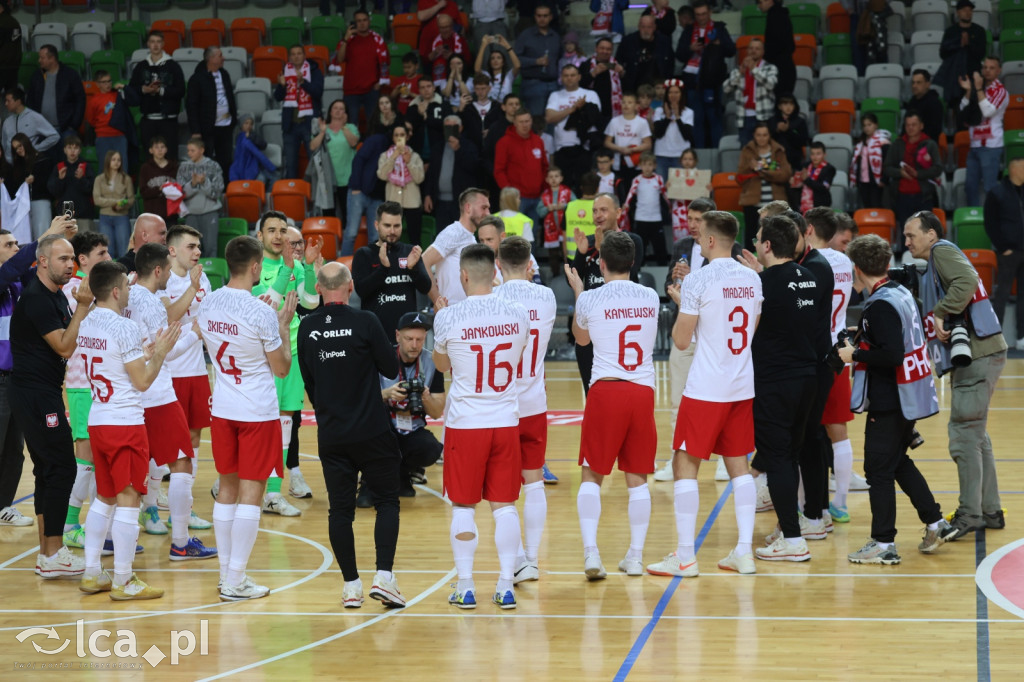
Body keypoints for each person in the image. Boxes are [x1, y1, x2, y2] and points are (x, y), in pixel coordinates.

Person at [648, 211, 762, 577]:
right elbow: (750, 330)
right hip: (742, 384)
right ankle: (744, 552)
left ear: (711, 240)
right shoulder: (753, 278)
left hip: (706, 387)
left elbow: (681, 341)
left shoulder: (697, 280)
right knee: (739, 466)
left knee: (685, 464)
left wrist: (684, 305)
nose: (697, 242)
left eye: (699, 238)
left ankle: (684, 556)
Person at [837, 234, 954, 564]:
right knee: (897, 462)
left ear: (857, 269)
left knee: (877, 470)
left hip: (891, 398)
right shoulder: (900, 292)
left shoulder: (880, 305)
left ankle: (883, 544)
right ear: (886, 264)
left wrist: (853, 353)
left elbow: (891, 354)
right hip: (908, 394)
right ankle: (935, 521)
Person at [297, 261, 407, 608]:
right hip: (372, 430)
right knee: (387, 501)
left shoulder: (307, 327)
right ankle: (384, 578)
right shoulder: (366, 321)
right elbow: (391, 369)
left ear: (318, 289)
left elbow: (310, 383)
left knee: (339, 512)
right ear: (351, 286)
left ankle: (351, 587)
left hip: (332, 434)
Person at [432, 243, 530, 609]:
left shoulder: (449, 316)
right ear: (496, 272)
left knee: (463, 505)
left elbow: (441, 366)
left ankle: (466, 584)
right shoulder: (519, 313)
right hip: (505, 419)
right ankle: (506, 585)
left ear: (463, 275)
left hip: (466, 423)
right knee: (504, 506)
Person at [199, 235, 297, 601]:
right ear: (256, 267)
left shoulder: (208, 303)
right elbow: (282, 369)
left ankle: (228, 574)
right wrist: (284, 329)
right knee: (251, 494)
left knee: (227, 489)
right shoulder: (260, 312)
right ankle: (236, 579)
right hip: (256, 411)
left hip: (223, 408)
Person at [74, 260, 179, 598]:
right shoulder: (125, 326)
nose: (131, 291)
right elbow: (143, 381)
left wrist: (145, 352)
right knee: (130, 498)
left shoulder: (88, 322)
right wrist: (160, 353)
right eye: (127, 286)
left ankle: (92, 573)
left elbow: (116, 362)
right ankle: (123, 579)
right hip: (125, 424)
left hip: (99, 420)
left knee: (104, 498)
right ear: (116, 291)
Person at [903, 211, 1008, 540]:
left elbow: (965, 280)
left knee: (964, 434)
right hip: (982, 353)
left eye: (911, 235)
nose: (906, 242)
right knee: (976, 435)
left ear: (931, 234)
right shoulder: (937, 257)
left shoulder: (941, 251)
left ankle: (969, 514)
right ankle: (989, 510)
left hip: (977, 355)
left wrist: (939, 311)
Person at [565, 231, 659, 579]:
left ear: (601, 263)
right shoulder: (650, 295)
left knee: (592, 474)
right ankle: (634, 556)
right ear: (632, 263)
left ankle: (591, 553)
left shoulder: (590, 298)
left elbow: (581, 337)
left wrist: (579, 295)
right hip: (642, 392)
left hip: (606, 389)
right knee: (637, 477)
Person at [123, 243, 216, 558]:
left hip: (128, 394)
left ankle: (112, 538)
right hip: (157, 395)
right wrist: (195, 332)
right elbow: (167, 351)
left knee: (129, 469)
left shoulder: (126, 295)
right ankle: (180, 542)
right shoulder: (150, 303)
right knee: (181, 462)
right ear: (159, 270)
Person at [9, 228, 92, 578]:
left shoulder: (55, 293)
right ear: (42, 262)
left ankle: (47, 552)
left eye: (72, 258)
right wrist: (84, 306)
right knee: (62, 466)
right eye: (63, 258)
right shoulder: (38, 298)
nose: (71, 264)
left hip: (40, 393)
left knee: (46, 469)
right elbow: (63, 346)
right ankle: (55, 550)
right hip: (35, 395)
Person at [742, 215, 819, 562]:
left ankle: (792, 539)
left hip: (775, 381)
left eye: (759, 239)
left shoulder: (762, 284)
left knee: (778, 459)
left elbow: (749, 331)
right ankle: (790, 527)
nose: (756, 244)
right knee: (789, 455)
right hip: (808, 378)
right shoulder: (810, 278)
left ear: (768, 246)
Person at [654, 198, 743, 483]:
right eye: (689, 218)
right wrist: (675, 283)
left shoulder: (733, 250)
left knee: (722, 400)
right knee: (678, 399)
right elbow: (671, 287)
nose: (692, 225)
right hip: (687, 329)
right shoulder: (681, 246)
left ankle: (722, 460)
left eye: (697, 220)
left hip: (715, 337)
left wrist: (694, 280)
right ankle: (674, 456)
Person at [0, 218, 76, 528]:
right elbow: (16, 265)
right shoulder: (4, 280)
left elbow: (50, 269)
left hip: (20, 381)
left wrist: (60, 243)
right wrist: (48, 234)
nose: (17, 249)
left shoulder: (23, 284)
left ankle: (3, 505)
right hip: (3, 379)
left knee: (14, 451)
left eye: (18, 244)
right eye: (8, 245)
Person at [252, 212, 322, 512]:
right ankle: (236, 481)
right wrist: (290, 269)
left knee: (284, 426)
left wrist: (307, 266)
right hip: (263, 360)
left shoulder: (292, 266)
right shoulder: (254, 269)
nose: (278, 236)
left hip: (291, 358)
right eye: (272, 230)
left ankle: (272, 493)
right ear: (260, 236)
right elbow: (266, 304)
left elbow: (309, 302)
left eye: (282, 230)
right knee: (259, 426)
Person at [495, 240, 557, 577]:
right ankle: (531, 558)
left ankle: (518, 560)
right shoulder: (546, 296)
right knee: (534, 482)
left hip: (502, 404)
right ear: (529, 262)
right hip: (534, 402)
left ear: (498, 262)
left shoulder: (493, 300)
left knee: (504, 487)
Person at [59, 231, 112, 549]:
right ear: (83, 260)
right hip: (81, 385)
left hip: (101, 385)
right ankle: (69, 525)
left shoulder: (102, 289)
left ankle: (97, 526)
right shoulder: (72, 291)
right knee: (86, 458)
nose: (108, 258)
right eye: (102, 253)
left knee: (97, 460)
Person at [159, 225, 216, 510]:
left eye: (198, 247)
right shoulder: (162, 279)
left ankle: (185, 506)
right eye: (190, 247)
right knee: (163, 439)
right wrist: (192, 288)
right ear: (172, 250)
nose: (198, 252)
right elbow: (169, 316)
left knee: (194, 435)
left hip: (196, 369)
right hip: (168, 372)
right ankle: (152, 503)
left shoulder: (203, 277)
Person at [570, 192, 645, 393]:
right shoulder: (588, 241)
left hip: (619, 323)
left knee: (622, 389)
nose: (598, 215)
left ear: (618, 212)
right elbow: (575, 279)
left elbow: (632, 274)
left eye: (603, 209)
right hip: (591, 324)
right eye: (595, 211)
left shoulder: (633, 240)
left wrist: (601, 248)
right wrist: (582, 254)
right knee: (591, 391)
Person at [378, 311, 446, 499]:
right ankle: (370, 479)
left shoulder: (432, 362)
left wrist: (425, 396)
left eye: (420, 339)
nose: (414, 345)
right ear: (398, 336)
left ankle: (404, 473)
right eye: (409, 339)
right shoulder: (382, 357)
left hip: (412, 428)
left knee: (431, 449)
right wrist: (387, 394)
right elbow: (362, 399)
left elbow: (437, 411)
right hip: (384, 428)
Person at [353, 202, 434, 338]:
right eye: (387, 225)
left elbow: (426, 288)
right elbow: (362, 290)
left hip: (406, 337)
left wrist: (412, 269)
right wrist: (383, 269)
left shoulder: (410, 252)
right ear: (376, 225)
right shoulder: (364, 254)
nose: (392, 231)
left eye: (397, 226)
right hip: (376, 336)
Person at [676, 0, 735, 148]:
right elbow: (679, 55)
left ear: (709, 13)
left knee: (714, 118)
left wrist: (718, 44)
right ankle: (699, 154)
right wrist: (691, 47)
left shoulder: (719, 28)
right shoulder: (689, 30)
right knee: (697, 119)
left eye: (703, 14)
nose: (701, 18)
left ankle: (716, 151)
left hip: (713, 80)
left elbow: (731, 51)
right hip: (693, 80)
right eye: (697, 15)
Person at [423, 188, 491, 304]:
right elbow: (424, 261)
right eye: (483, 208)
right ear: (468, 207)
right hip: (452, 313)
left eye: (488, 208)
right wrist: (437, 301)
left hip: (468, 311)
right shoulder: (453, 232)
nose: (488, 213)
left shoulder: (471, 238)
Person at [883, 114, 941, 250]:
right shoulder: (898, 143)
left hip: (924, 196)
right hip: (902, 197)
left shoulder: (930, 144)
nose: (910, 128)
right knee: (907, 234)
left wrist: (918, 174)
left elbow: (938, 169)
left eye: (914, 124)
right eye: (908, 125)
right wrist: (900, 173)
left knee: (926, 233)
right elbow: (887, 167)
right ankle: (906, 262)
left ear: (921, 125)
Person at [984, 156, 1024, 350]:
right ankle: (995, 337)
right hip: (1008, 252)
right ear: (1014, 169)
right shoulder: (997, 192)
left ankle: (1022, 337)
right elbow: (990, 223)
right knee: (1002, 293)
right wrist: (1002, 247)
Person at [128, 32, 186, 161]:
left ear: (163, 44)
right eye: (152, 41)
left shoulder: (173, 66)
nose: (155, 45)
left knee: (170, 156)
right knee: (150, 158)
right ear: (148, 44)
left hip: (168, 120)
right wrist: (144, 89)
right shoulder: (141, 66)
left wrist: (161, 91)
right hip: (148, 119)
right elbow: (132, 89)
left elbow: (181, 90)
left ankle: (171, 182)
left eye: (158, 42)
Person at [546, 65, 601, 192]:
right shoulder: (555, 95)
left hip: (584, 147)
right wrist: (573, 109)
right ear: (561, 78)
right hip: (561, 147)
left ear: (579, 77)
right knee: (563, 189)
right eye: (566, 75)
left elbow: (593, 119)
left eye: (572, 75)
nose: (569, 78)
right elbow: (549, 117)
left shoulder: (590, 94)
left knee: (584, 187)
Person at [960, 57, 1007, 206]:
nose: (987, 70)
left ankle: (991, 224)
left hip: (991, 146)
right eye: (985, 67)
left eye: (992, 68)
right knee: (970, 187)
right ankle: (975, 219)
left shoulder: (1000, 91)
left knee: (989, 188)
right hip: (974, 145)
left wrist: (978, 89)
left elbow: (988, 111)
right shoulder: (976, 88)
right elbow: (963, 109)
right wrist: (968, 91)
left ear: (999, 71)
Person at [274, 45, 325, 180]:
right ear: (289, 58)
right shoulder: (285, 71)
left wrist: (303, 82)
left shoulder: (314, 71)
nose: (296, 56)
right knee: (290, 165)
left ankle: (315, 196)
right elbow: (278, 97)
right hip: (290, 125)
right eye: (293, 54)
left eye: (299, 54)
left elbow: (318, 93)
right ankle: (293, 195)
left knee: (314, 162)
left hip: (309, 124)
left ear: (304, 55)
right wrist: (281, 85)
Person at [738, 122, 791, 250]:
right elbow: (739, 177)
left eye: (765, 135)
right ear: (754, 136)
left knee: (777, 235)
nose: (762, 138)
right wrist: (750, 168)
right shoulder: (747, 150)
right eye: (758, 135)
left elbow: (786, 174)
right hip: (752, 201)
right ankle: (751, 262)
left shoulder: (778, 150)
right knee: (751, 235)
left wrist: (764, 173)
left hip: (775, 202)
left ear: (769, 136)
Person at [186, 47, 237, 181]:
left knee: (225, 160)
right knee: (205, 160)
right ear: (211, 59)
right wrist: (196, 130)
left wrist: (233, 118)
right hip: (206, 128)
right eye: (220, 56)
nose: (223, 58)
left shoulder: (224, 74)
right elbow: (191, 106)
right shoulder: (197, 79)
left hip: (225, 126)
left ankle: (225, 191)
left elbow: (230, 97)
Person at [336, 9, 390, 128]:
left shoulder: (377, 40)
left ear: (369, 21)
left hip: (371, 90)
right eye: (358, 21)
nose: (362, 23)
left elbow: (385, 63)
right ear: (354, 23)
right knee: (351, 126)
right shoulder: (349, 40)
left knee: (373, 125)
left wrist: (380, 83)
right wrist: (345, 39)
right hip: (351, 90)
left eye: (364, 20)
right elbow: (339, 59)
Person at [424, 115, 478, 232]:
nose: (451, 129)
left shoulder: (469, 146)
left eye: (454, 127)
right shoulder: (438, 147)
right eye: (447, 127)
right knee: (442, 236)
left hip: (461, 202)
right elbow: (431, 173)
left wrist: (458, 150)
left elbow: (473, 168)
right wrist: (428, 194)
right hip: (440, 202)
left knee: (461, 236)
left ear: (461, 128)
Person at [494, 109, 548, 225]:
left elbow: (544, 166)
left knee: (533, 235)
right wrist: (510, 193)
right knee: (515, 234)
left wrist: (543, 189)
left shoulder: (538, 141)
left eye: (527, 121)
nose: (525, 125)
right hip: (516, 199)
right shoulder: (504, 142)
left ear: (531, 121)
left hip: (536, 196)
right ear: (514, 122)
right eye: (521, 122)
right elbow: (499, 171)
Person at [310, 100, 359, 225]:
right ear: (330, 111)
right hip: (326, 179)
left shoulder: (351, 127)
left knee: (347, 214)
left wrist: (343, 126)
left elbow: (354, 143)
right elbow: (313, 147)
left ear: (345, 113)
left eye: (341, 108)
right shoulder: (323, 128)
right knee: (329, 215)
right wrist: (322, 132)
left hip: (346, 178)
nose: (338, 110)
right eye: (335, 108)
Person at [723, 38, 778, 146]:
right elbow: (726, 89)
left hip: (764, 117)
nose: (754, 51)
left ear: (763, 52)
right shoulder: (739, 69)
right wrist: (739, 73)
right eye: (751, 48)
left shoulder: (770, 68)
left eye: (757, 49)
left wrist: (754, 69)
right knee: (747, 152)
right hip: (744, 117)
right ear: (747, 51)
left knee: (765, 152)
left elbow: (771, 85)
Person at [377, 124, 426, 247]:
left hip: (412, 202)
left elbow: (419, 178)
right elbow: (382, 175)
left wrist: (409, 162)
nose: (399, 138)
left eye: (402, 135)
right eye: (396, 135)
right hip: (393, 201)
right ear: (393, 138)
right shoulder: (385, 155)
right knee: (391, 237)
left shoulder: (414, 156)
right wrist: (393, 158)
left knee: (414, 237)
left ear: (407, 137)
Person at [344, 129, 390, 256]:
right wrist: (356, 185)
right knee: (351, 233)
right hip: (360, 192)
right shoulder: (377, 140)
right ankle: (341, 269)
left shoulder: (403, 151)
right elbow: (359, 159)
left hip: (377, 196)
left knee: (375, 236)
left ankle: (373, 268)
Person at [177, 138, 224, 259]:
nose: (189, 153)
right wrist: (192, 184)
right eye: (188, 150)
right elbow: (179, 193)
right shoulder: (183, 167)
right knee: (191, 250)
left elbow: (217, 192)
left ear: (201, 150)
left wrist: (204, 183)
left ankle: (211, 276)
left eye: (192, 150)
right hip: (191, 214)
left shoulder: (214, 166)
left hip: (210, 212)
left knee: (210, 247)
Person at [27, 45, 86, 140]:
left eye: (42, 58)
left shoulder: (70, 75)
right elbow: (30, 101)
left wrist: (73, 125)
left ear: (52, 58)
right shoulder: (37, 76)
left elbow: (80, 100)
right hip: (42, 130)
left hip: (65, 129)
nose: (39, 60)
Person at [514, 3, 562, 118]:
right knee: (535, 121)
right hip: (532, 84)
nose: (542, 19)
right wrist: (535, 62)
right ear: (535, 17)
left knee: (552, 121)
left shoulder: (556, 37)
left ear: (551, 17)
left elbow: (560, 59)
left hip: (553, 84)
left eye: (545, 16)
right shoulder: (525, 35)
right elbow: (515, 60)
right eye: (539, 16)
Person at [622, 152, 670, 265]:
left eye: (650, 164)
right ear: (640, 166)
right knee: (640, 247)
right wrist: (625, 206)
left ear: (654, 166)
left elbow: (665, 195)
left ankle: (663, 271)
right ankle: (638, 271)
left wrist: (670, 207)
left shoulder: (659, 179)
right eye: (644, 164)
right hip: (641, 218)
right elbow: (630, 195)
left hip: (656, 218)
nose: (647, 167)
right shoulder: (637, 180)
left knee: (660, 248)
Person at [938, 0, 987, 105]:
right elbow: (943, 53)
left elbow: (981, 54)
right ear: (958, 12)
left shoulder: (979, 31)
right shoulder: (950, 31)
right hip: (954, 76)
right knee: (955, 107)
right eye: (964, 10)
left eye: (970, 10)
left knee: (974, 107)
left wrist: (968, 43)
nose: (968, 13)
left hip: (973, 74)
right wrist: (959, 45)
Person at [615, 15, 674, 94]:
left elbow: (670, 63)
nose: (646, 30)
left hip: (657, 86)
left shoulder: (664, 42)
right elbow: (618, 60)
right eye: (643, 27)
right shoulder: (628, 41)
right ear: (639, 27)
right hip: (633, 85)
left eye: (649, 27)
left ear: (654, 27)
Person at [92, 151, 133, 259]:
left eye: (119, 160)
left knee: (124, 250)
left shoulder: (126, 179)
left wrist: (123, 205)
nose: (116, 162)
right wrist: (115, 202)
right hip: (105, 217)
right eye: (113, 159)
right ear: (108, 161)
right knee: (106, 251)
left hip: (122, 217)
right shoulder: (99, 179)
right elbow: (97, 200)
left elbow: (131, 199)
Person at [2, 87, 60, 160]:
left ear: (18, 101)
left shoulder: (35, 117)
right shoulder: (7, 121)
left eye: (8, 101)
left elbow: (54, 136)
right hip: (9, 165)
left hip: (27, 163)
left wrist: (35, 149)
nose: (5, 104)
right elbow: (3, 144)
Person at [652, 79, 694, 181]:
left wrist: (678, 117)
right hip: (661, 155)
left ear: (681, 94)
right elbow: (658, 134)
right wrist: (667, 117)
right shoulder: (658, 111)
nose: (673, 95)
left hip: (680, 156)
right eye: (670, 92)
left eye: (676, 92)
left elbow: (687, 135)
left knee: (678, 190)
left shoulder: (688, 112)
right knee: (662, 188)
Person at [604, 92, 653, 179]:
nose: (626, 105)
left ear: (636, 105)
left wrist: (632, 149)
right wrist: (620, 149)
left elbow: (648, 144)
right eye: (624, 102)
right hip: (618, 162)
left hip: (636, 161)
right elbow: (607, 142)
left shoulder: (642, 122)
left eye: (630, 103)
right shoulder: (614, 121)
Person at [851, 113, 890, 210]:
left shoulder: (883, 142)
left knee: (876, 207)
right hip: (863, 181)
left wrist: (884, 179)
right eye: (864, 125)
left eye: (869, 125)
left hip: (877, 182)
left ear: (876, 125)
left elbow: (887, 162)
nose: (867, 128)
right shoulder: (861, 142)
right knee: (866, 207)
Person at [582, 37, 626, 121]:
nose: (605, 51)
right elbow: (580, 85)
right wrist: (593, 73)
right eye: (602, 48)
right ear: (596, 49)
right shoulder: (586, 65)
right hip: (591, 108)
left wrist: (622, 73)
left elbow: (626, 86)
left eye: (608, 49)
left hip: (611, 110)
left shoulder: (616, 64)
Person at [138, 137, 180, 224]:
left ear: (166, 149)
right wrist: (159, 189)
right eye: (156, 147)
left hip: (171, 215)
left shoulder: (174, 167)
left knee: (171, 237)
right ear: (151, 150)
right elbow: (143, 192)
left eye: (162, 147)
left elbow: (181, 189)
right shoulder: (145, 168)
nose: (160, 150)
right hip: (152, 215)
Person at [760, 0, 796, 98]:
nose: (759, 5)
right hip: (786, 67)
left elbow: (774, 45)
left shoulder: (775, 16)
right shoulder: (782, 15)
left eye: (760, 2)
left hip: (779, 70)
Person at [229, 113, 277, 185]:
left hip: (255, 167)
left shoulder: (253, 136)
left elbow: (263, 145)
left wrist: (251, 137)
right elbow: (257, 154)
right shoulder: (241, 139)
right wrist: (271, 167)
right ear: (241, 125)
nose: (249, 126)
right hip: (249, 169)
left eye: (251, 124)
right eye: (246, 123)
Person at [473, 36, 520, 103]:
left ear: (503, 62)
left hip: (505, 109)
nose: (495, 60)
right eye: (492, 58)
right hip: (489, 109)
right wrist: (483, 46)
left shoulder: (509, 76)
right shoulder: (485, 76)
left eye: (499, 58)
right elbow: (477, 69)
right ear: (489, 62)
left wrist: (507, 45)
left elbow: (517, 66)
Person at [903, 69, 944, 142]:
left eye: (918, 83)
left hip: (926, 145)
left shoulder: (935, 103)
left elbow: (934, 132)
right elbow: (905, 126)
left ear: (928, 84)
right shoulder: (912, 102)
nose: (914, 86)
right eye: (913, 82)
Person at [795, 142, 836, 212]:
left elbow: (823, 187)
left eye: (818, 154)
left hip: (821, 206)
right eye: (812, 154)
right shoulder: (806, 166)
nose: (815, 157)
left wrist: (807, 180)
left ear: (824, 155)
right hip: (803, 205)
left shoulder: (829, 169)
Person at [390, 52, 421, 116]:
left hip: (416, 113)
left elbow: (424, 98)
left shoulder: (421, 79)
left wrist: (410, 93)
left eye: (409, 67)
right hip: (400, 113)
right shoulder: (399, 80)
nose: (406, 70)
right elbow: (391, 98)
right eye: (404, 67)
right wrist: (396, 91)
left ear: (417, 66)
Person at [0, 0, 20, 96]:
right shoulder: (14, 22)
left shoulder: (1, 22)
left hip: (1, 66)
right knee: (12, 98)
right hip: (13, 66)